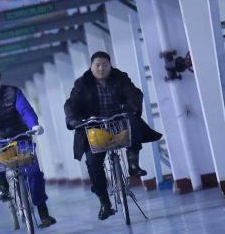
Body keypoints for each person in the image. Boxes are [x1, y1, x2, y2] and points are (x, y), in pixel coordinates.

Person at [64, 51, 162, 220]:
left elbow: (133, 93)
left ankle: (133, 164)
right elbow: (72, 102)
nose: (101, 68)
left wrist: (132, 108)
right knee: (93, 163)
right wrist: (73, 119)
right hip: (95, 129)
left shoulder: (120, 77)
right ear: (91, 67)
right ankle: (104, 203)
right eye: (97, 65)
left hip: (119, 123)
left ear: (110, 66)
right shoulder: (82, 83)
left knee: (134, 122)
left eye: (105, 65)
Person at [0, 65, 57, 228]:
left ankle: (43, 213)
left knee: (34, 173)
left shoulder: (13, 92)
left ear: (0, 79)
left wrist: (34, 125)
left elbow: (25, 110)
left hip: (19, 135)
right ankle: (2, 184)